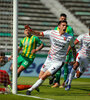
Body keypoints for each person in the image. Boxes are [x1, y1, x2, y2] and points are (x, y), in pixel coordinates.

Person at [26, 20, 76, 95]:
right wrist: (31, 31)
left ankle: (30, 90)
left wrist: (74, 59)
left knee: (44, 75)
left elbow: (73, 48)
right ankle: (51, 77)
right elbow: (39, 33)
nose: (65, 27)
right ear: (59, 26)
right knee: (40, 76)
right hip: (49, 59)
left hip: (58, 62)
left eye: (66, 25)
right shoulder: (52, 33)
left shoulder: (69, 37)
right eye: (63, 25)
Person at [51, 13, 75, 88]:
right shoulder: (56, 28)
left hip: (67, 50)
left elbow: (71, 40)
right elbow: (53, 40)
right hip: (58, 51)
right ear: (59, 19)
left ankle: (64, 82)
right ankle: (57, 82)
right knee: (58, 66)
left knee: (65, 65)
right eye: (61, 19)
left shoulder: (69, 28)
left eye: (64, 19)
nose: (63, 20)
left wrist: (68, 50)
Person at [65, 26, 90, 91]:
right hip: (81, 54)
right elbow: (73, 43)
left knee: (78, 75)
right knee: (76, 65)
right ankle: (68, 84)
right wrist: (67, 50)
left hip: (87, 58)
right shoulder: (83, 36)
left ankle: (69, 78)